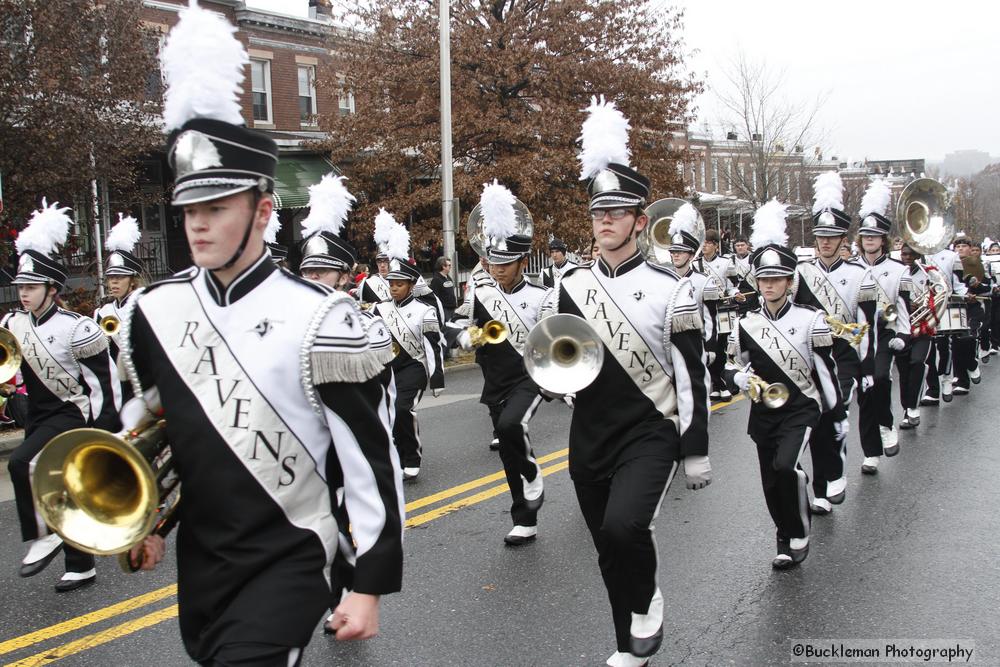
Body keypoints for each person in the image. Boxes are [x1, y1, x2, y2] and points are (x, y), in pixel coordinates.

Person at [120, 5, 403, 663]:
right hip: (204, 565)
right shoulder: (152, 311)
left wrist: (369, 578)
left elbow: (367, 457)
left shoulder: (323, 317)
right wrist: (145, 521)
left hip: (294, 552)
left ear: (263, 208)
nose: (197, 224)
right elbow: (155, 426)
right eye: (190, 208)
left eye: (217, 207)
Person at [541, 96, 711, 667]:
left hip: (650, 431)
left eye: (616, 213)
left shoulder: (673, 288)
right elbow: (559, 352)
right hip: (590, 431)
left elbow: (690, 374)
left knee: (624, 527)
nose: (604, 221)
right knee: (606, 547)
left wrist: (696, 449)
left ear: (640, 220)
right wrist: (553, 380)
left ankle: (646, 603)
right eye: (597, 213)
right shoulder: (572, 283)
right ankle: (629, 641)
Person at [2, 200, 122, 592]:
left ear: (52, 289)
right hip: (36, 412)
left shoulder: (78, 328)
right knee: (64, 487)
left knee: (21, 463)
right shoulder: (10, 322)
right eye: (21, 287)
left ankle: (46, 532)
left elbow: (104, 384)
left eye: (32, 287)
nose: (24, 294)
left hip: (71, 413)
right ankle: (81, 564)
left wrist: (104, 431)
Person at [729, 200, 843, 569]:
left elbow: (825, 372)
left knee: (784, 467)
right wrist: (740, 378)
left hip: (801, 408)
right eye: (763, 279)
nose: (769, 285)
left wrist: (836, 415)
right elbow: (728, 365)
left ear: (790, 282)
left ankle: (798, 532)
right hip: (763, 412)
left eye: (777, 279)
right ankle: (783, 536)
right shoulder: (745, 324)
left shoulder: (813, 321)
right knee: (769, 481)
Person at [449, 181, 549, 546]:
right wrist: (465, 336)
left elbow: (553, 342)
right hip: (495, 379)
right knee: (507, 449)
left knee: (511, 425)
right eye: (493, 262)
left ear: (522, 261)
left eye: (506, 263)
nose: (498, 269)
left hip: (529, 376)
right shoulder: (481, 291)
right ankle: (525, 518)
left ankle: (533, 474)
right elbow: (469, 328)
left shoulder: (542, 296)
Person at [790, 171, 876, 515]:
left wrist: (868, 368)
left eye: (832, 237)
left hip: (845, 357)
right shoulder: (799, 273)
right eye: (820, 236)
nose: (825, 243)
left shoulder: (860, 275)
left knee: (834, 414)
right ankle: (822, 487)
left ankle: (834, 473)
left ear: (843, 238)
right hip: (811, 359)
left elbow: (867, 327)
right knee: (817, 420)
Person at [375, 216, 445, 481]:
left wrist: (437, 379)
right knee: (386, 414)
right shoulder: (378, 309)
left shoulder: (424, 311)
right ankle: (396, 456)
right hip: (385, 368)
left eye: (399, 284)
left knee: (404, 409)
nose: (394, 288)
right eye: (391, 284)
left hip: (414, 367)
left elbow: (433, 346)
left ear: (411, 285)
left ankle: (412, 457)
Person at [854, 179, 910, 474]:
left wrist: (903, 334)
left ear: (883, 239)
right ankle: (870, 452)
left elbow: (901, 307)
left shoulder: (899, 270)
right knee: (863, 393)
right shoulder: (851, 268)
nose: (870, 240)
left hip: (885, 333)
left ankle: (887, 424)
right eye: (865, 235)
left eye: (875, 236)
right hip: (858, 334)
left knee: (880, 378)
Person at [666, 205, 722, 399]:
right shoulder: (664, 280)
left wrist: (711, 348)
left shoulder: (704, 282)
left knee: (693, 395)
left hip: (695, 345)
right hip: (669, 346)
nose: (676, 255)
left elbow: (711, 319)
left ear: (690, 255)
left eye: (680, 252)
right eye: (673, 251)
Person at [95, 213, 146, 364]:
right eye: (111, 278)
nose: (114, 283)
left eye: (120, 277)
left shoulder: (144, 307)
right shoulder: (102, 312)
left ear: (132, 281)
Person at [922, 238, 967, 404]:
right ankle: (932, 390)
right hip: (924, 306)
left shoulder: (951, 256)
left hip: (945, 304)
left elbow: (958, 283)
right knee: (927, 350)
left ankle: (947, 378)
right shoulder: (917, 255)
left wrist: (965, 294)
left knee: (944, 344)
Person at [896, 244, 934, 429]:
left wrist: (925, 304)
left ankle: (913, 407)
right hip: (901, 329)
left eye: (911, 254)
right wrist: (903, 306)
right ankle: (907, 409)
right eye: (904, 254)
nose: (907, 257)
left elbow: (941, 292)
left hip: (923, 327)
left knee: (917, 362)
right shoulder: (894, 272)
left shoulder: (928, 273)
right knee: (903, 371)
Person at [697, 229, 736, 400]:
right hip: (704, 310)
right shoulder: (694, 264)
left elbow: (733, 285)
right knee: (708, 345)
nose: (704, 245)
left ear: (716, 246)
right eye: (703, 242)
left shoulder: (726, 262)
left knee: (720, 348)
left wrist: (736, 294)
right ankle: (718, 384)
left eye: (708, 243)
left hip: (722, 309)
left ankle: (720, 383)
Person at [729, 235, 759, 315]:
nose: (740, 247)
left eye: (742, 245)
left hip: (753, 296)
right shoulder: (730, 261)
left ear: (747, 245)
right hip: (736, 296)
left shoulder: (754, 259)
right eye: (737, 245)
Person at [430, 256, 458, 322]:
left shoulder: (448, 277)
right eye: (449, 265)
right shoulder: (436, 280)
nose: (450, 267)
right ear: (443, 266)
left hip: (452, 308)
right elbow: (435, 297)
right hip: (444, 310)